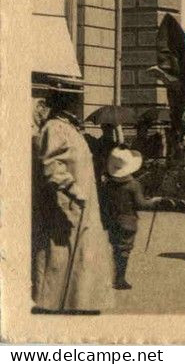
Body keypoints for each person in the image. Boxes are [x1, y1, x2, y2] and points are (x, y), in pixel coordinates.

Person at [32, 81, 114, 313]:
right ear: (66, 102)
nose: (80, 104)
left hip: (81, 204)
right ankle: (50, 304)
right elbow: (50, 165)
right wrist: (73, 189)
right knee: (59, 256)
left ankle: (78, 301)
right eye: (76, 99)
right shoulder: (55, 128)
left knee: (82, 255)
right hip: (65, 204)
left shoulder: (70, 128)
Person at [100, 146, 167, 290]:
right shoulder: (133, 185)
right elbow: (141, 204)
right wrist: (155, 201)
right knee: (124, 249)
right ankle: (120, 279)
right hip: (128, 221)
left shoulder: (108, 184)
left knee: (116, 248)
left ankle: (116, 276)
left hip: (112, 220)